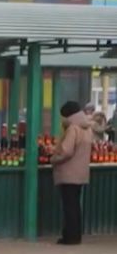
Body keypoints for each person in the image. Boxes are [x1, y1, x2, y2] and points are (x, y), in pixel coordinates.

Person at [51, 101, 94, 246]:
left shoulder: (72, 129)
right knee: (75, 206)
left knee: (69, 206)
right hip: (80, 172)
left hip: (69, 173)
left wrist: (54, 158)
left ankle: (69, 237)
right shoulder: (87, 128)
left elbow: (66, 151)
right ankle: (76, 235)